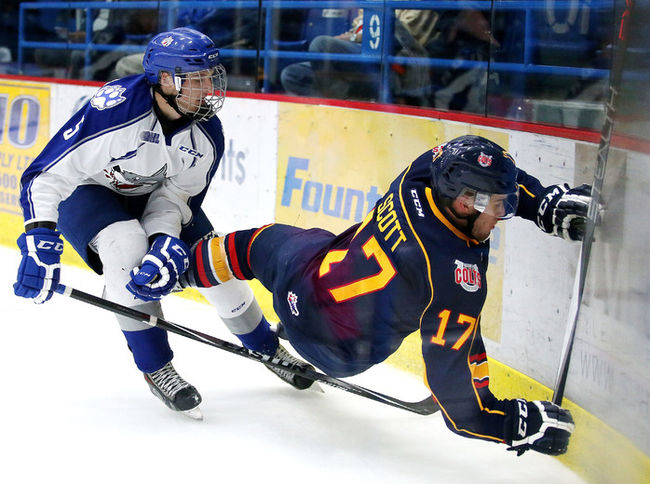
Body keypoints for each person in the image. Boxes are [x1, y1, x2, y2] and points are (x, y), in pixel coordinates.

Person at [181, 135, 588, 454]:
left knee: (255, 244)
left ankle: (170, 269)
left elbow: (476, 163)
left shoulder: (421, 174)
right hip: (337, 353)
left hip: (301, 279)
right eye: (498, 206)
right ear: (465, 203)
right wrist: (515, 423)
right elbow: (462, 412)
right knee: (458, 334)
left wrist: (539, 205)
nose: (502, 214)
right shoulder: (452, 278)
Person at [14, 27, 314, 419]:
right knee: (126, 247)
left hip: (151, 194)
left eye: (210, 76)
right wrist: (39, 235)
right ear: (166, 81)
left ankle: (266, 347)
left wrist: (164, 240)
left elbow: (174, 198)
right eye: (197, 79)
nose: (208, 88)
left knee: (214, 261)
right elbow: (46, 175)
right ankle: (156, 366)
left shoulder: (208, 133)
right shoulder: (116, 112)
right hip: (89, 192)